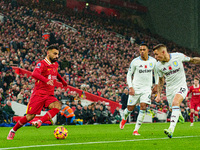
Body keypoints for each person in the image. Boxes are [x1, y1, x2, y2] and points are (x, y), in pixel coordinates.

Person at [7, 45, 68, 140]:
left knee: (57, 106)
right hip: (39, 94)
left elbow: (55, 73)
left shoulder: (55, 64)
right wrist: (46, 80)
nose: (57, 56)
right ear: (48, 53)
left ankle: (40, 121)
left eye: (58, 54)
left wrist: (62, 81)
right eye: (55, 53)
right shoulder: (41, 64)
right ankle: (13, 131)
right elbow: (34, 73)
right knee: (29, 117)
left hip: (49, 94)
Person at [153, 44, 200, 138]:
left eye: (157, 54)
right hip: (170, 89)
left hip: (181, 86)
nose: (155, 57)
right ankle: (179, 114)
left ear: (163, 52)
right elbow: (161, 80)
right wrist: (158, 94)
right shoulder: (158, 66)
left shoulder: (178, 56)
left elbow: (193, 60)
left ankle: (171, 129)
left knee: (175, 103)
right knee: (172, 108)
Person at [120, 43, 158, 135]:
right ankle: (124, 118)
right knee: (129, 109)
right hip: (136, 88)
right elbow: (129, 75)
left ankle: (136, 130)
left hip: (147, 88)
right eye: (140, 50)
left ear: (148, 50)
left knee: (143, 107)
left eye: (144, 49)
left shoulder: (153, 61)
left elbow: (156, 73)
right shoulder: (135, 61)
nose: (142, 51)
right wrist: (131, 87)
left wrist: (156, 84)